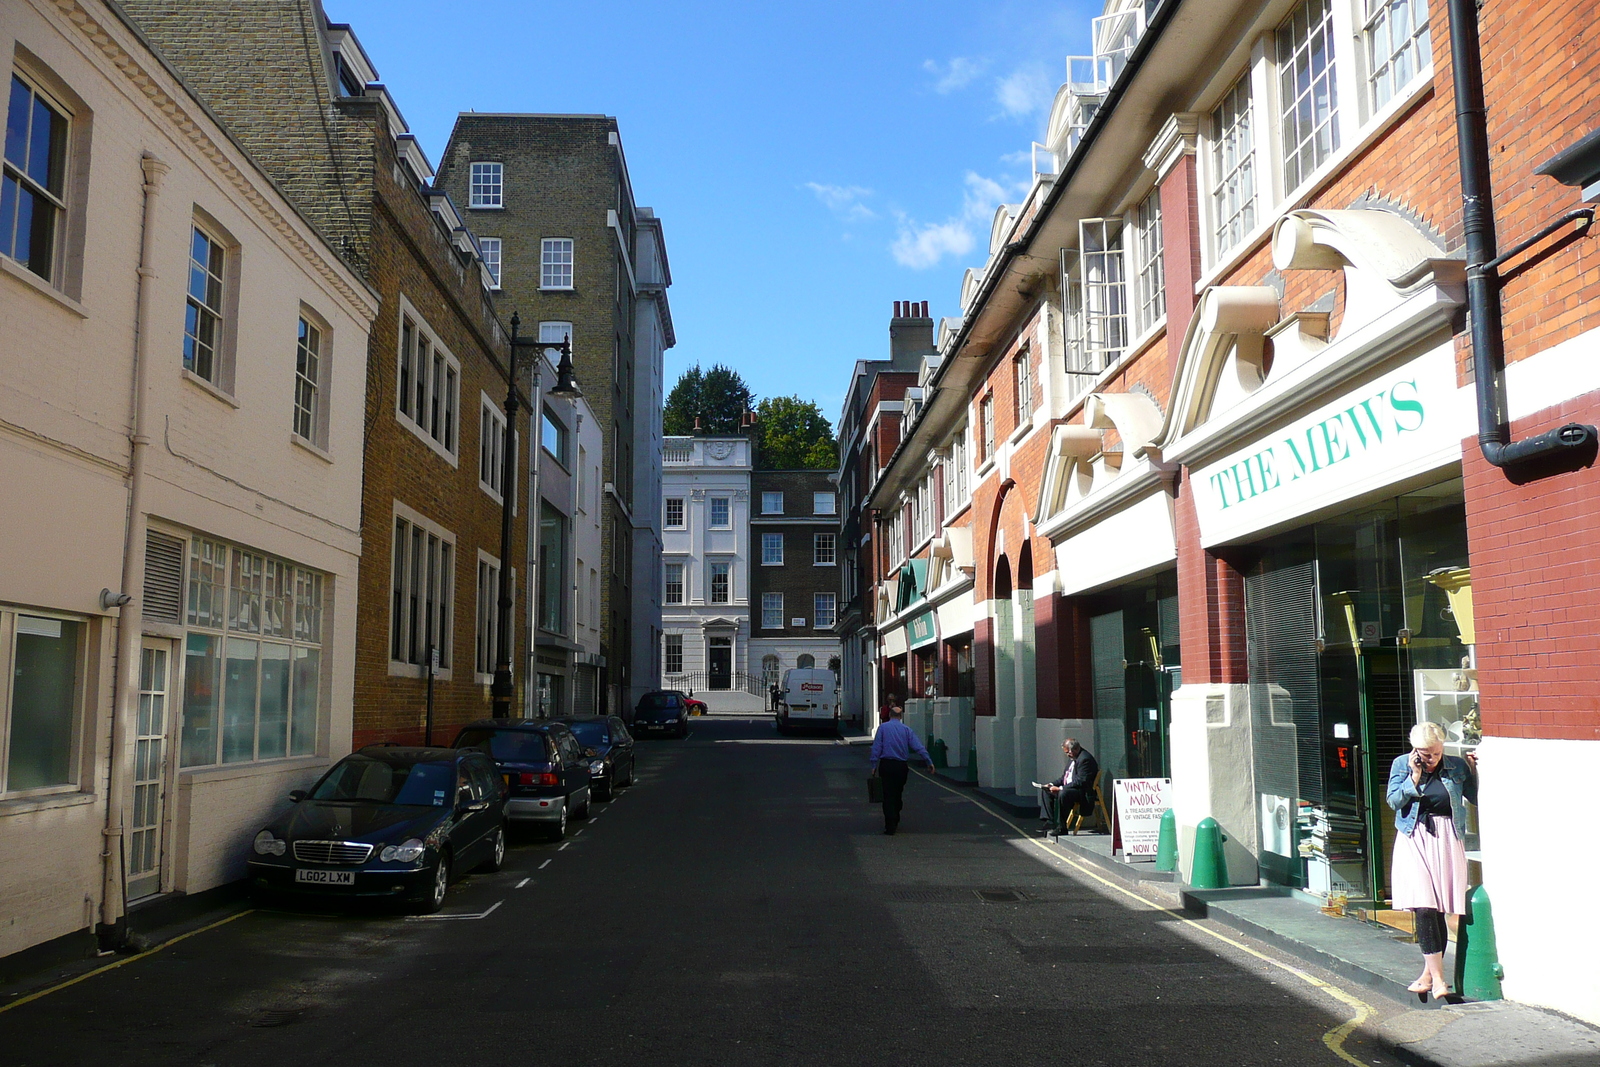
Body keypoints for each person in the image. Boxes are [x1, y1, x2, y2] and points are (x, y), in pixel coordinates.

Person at [1386, 720, 1478, 1001]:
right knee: (1424, 906)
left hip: (1447, 838)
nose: (1432, 759)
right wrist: (1414, 778)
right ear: (1415, 750)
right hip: (1414, 837)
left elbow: (1474, 798)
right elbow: (1393, 801)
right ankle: (1439, 979)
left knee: (1438, 907)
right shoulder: (1402, 765)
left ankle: (1427, 974)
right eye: (1426, 754)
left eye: (1436, 753)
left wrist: (1475, 769)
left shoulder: (1456, 767)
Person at [869, 703, 931, 835]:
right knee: (897, 793)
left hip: (886, 765)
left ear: (890, 715)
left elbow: (876, 747)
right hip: (901, 766)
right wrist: (928, 761)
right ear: (900, 716)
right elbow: (918, 746)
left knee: (887, 795)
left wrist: (874, 765)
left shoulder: (883, 728)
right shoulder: (906, 730)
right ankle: (895, 817)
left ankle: (890, 824)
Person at [1039, 738, 1099, 837]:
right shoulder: (1072, 758)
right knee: (1046, 791)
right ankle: (1050, 821)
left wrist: (1061, 788)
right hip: (1071, 787)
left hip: (1081, 791)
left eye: (1068, 753)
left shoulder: (1085, 759)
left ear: (1075, 749)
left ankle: (1062, 828)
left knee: (1063, 794)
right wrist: (1050, 784)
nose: (1067, 755)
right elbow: (1064, 778)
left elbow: (1081, 781)